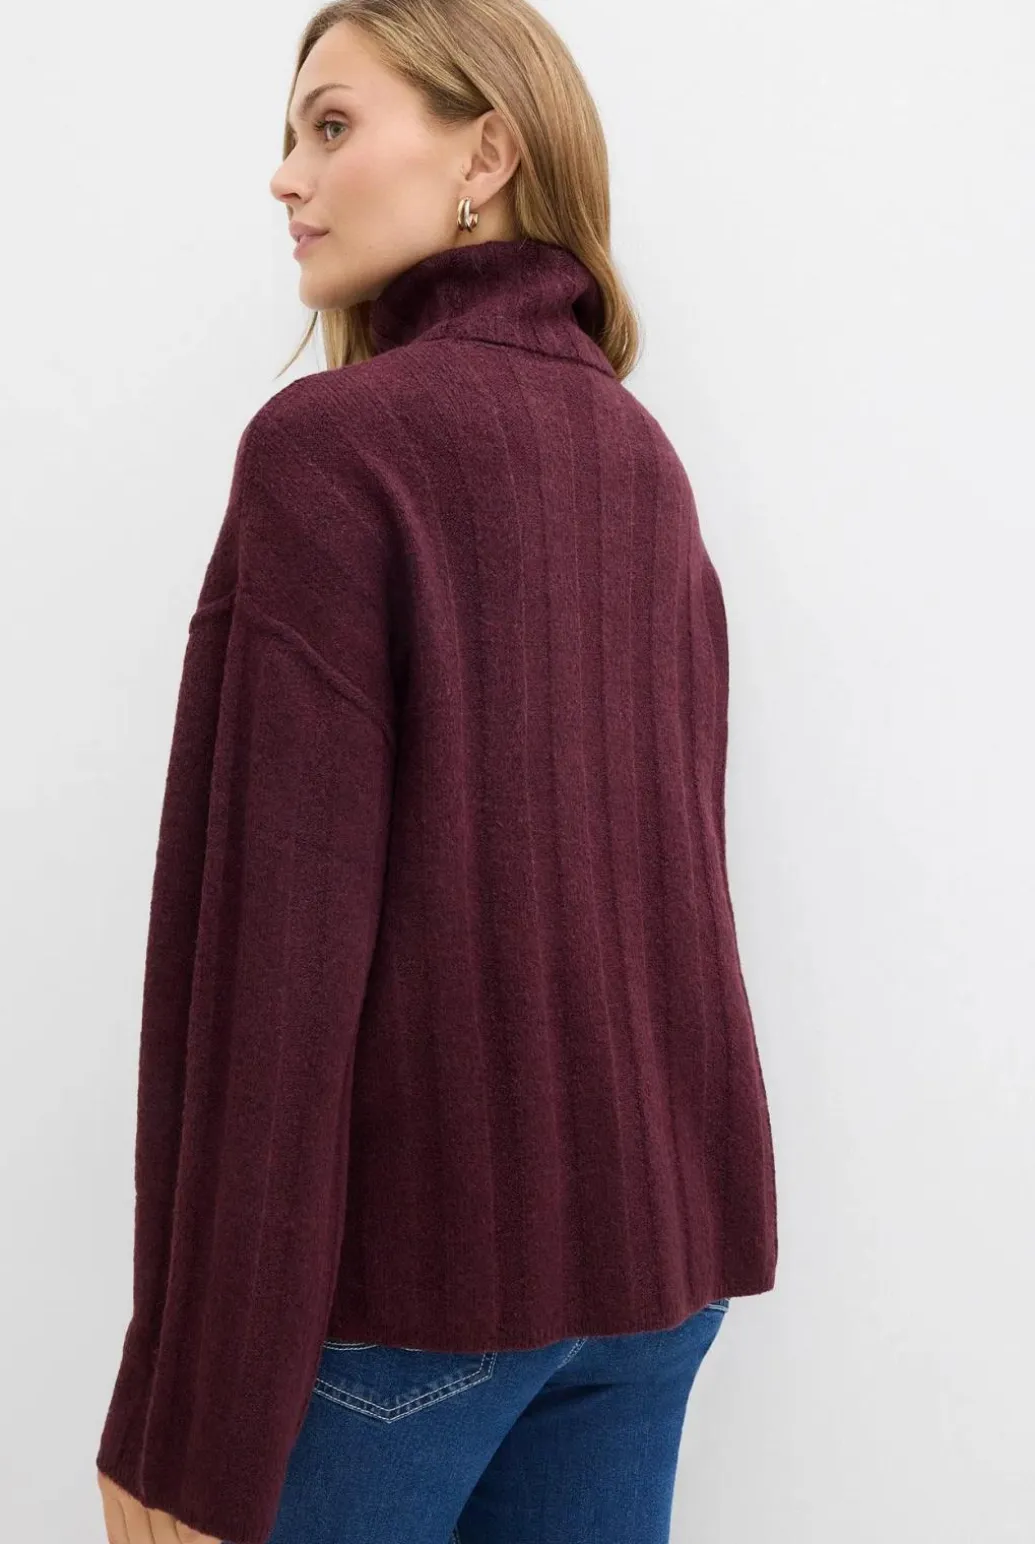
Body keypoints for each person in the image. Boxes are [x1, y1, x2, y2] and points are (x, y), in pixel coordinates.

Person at [94, 2, 779, 1541]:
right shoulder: (637, 458)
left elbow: (273, 966)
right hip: (654, 1279)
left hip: (416, 1305)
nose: (286, 176)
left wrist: (185, 1423)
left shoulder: (333, 449)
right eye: (291, 135)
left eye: (331, 125)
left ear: (487, 154)